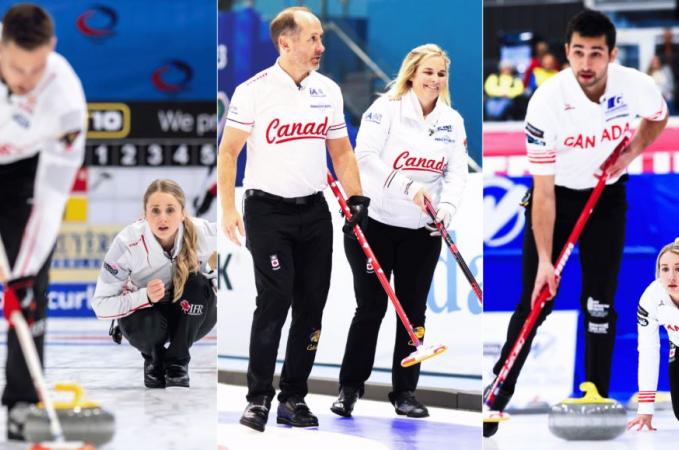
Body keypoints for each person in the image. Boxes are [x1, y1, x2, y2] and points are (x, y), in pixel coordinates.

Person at [485, 9, 668, 437]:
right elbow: (543, 191)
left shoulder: (635, 86)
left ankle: (596, 396)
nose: (587, 64)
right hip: (559, 199)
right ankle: (498, 392)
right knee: (536, 300)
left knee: (600, 302)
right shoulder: (546, 102)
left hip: (606, 197)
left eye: (596, 54)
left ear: (611, 54)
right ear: (566, 52)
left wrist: (632, 151)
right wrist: (547, 260)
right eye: (579, 53)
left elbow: (657, 116)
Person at [217, 6, 367, 432]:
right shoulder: (254, 90)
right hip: (267, 211)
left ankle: (293, 398)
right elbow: (229, 152)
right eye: (313, 38)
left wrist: (357, 199)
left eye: (321, 38)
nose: (321, 46)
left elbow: (341, 151)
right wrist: (229, 206)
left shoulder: (328, 91)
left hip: (314, 211)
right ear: (285, 42)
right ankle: (258, 398)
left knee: (312, 307)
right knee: (274, 301)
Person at [329, 43, 468, 419]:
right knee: (371, 308)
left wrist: (448, 209)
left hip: (421, 232)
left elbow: (456, 173)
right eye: (428, 72)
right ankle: (349, 389)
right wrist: (410, 187)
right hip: (374, 225)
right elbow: (365, 159)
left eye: (441, 74)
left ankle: (405, 392)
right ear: (412, 74)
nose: (435, 80)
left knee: (413, 313)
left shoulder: (452, 121)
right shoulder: (385, 109)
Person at [0, 4, 86, 441]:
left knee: (28, 291)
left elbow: (52, 199)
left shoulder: (66, 100)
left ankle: (20, 401)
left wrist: (21, 274)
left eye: (36, 69)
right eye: (16, 67)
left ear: (51, 48)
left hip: (23, 173)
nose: (25, 81)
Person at [91, 179, 217, 390]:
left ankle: (177, 363)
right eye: (155, 211)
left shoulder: (204, 232)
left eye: (170, 210)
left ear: (183, 213)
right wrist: (144, 297)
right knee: (149, 321)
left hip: (192, 317)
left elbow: (242, 239)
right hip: (144, 320)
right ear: (144, 214)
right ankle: (154, 359)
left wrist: (214, 276)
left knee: (197, 282)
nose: (163, 218)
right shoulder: (126, 243)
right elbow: (100, 305)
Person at [627, 238, 679, 431]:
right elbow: (648, 351)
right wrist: (645, 409)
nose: (671, 277)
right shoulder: (650, 299)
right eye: (665, 269)